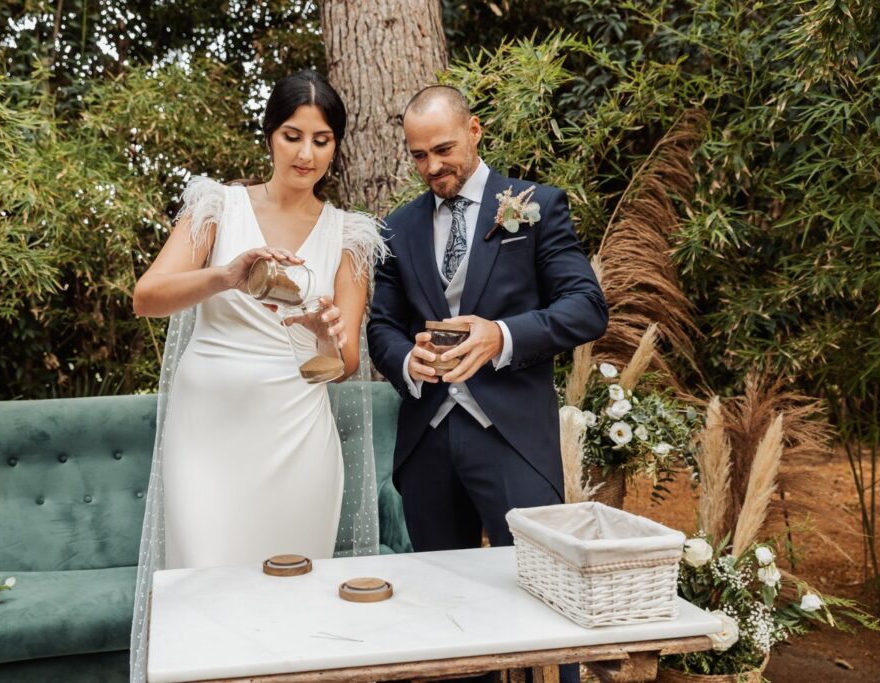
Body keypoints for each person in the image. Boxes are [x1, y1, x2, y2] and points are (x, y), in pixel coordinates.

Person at [129, 70, 385, 682]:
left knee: (293, 591)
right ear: (270, 135)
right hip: (207, 432)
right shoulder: (217, 207)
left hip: (297, 437)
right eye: (293, 135)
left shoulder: (350, 236)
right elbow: (148, 295)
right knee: (205, 581)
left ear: (335, 147)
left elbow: (341, 365)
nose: (306, 153)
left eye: (322, 140)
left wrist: (325, 338)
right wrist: (227, 275)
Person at [367, 86, 607, 683]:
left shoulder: (535, 205)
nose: (433, 167)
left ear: (475, 130)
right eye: (418, 156)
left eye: (443, 149)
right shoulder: (397, 227)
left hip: (512, 440)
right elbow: (382, 326)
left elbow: (585, 307)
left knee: (543, 601)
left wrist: (501, 336)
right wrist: (405, 362)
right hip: (427, 441)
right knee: (446, 618)